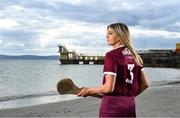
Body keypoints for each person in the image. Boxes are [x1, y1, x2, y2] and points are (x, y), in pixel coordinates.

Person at [77, 22, 149, 117]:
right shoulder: (136, 56)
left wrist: (89, 90)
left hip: (112, 107)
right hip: (130, 104)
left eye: (110, 33)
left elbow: (108, 87)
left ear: (120, 35)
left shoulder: (111, 55)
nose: (106, 36)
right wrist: (129, 97)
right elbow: (145, 84)